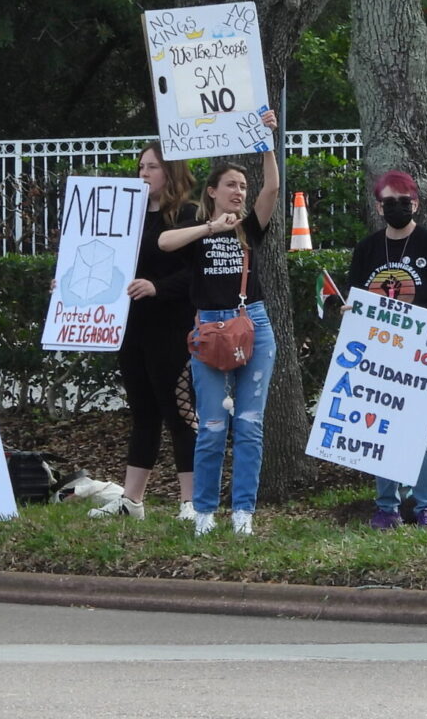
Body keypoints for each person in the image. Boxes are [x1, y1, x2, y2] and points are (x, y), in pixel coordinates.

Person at [157, 110, 281, 536]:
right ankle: (205, 512)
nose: (239, 191)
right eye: (231, 184)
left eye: (242, 187)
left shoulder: (251, 228)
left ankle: (243, 511)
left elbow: (273, 188)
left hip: (253, 327)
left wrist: (266, 143)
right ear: (211, 191)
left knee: (248, 424)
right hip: (209, 332)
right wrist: (209, 228)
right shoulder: (198, 229)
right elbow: (164, 241)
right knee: (211, 427)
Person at [347, 170, 427, 530]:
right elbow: (358, 298)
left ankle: (425, 506)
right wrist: (351, 313)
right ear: (379, 206)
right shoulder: (367, 249)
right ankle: (387, 505)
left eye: (403, 201)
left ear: (415, 204)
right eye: (388, 202)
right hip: (380, 349)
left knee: (417, 427)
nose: (396, 207)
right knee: (382, 426)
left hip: (420, 348)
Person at [88, 143, 198, 521]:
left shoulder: (189, 215)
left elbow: (196, 272)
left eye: (152, 166)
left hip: (173, 327)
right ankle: (131, 501)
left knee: (180, 412)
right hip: (131, 327)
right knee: (143, 413)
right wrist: (70, 289)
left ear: (171, 171)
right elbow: (99, 261)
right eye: (140, 166)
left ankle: (191, 503)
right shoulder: (124, 217)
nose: (143, 173)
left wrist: (157, 287)